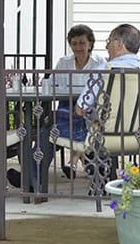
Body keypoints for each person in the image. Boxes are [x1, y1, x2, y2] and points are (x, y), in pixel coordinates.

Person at [7, 24, 108, 188]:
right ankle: (36, 175)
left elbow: (102, 92)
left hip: (89, 113)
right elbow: (51, 86)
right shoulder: (63, 62)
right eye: (74, 43)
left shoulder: (100, 63)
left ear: (90, 44)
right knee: (50, 127)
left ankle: (31, 177)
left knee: (49, 130)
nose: (78, 47)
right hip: (66, 108)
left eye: (82, 43)